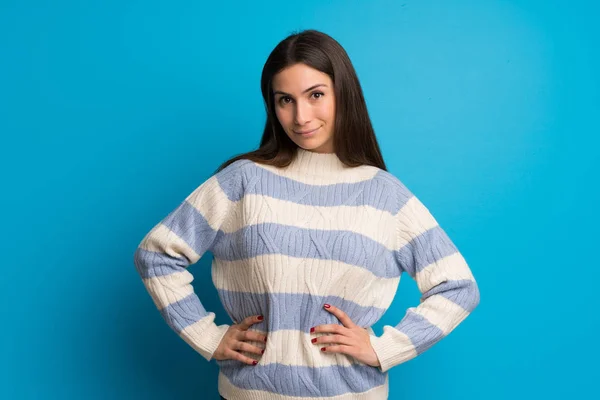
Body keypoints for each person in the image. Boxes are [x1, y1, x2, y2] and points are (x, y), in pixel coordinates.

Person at [133, 29, 480, 400]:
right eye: (285, 100)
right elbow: (156, 255)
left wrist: (382, 349)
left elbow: (457, 288)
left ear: (343, 93)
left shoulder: (385, 195)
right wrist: (207, 336)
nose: (301, 116)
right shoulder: (242, 182)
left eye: (316, 95)